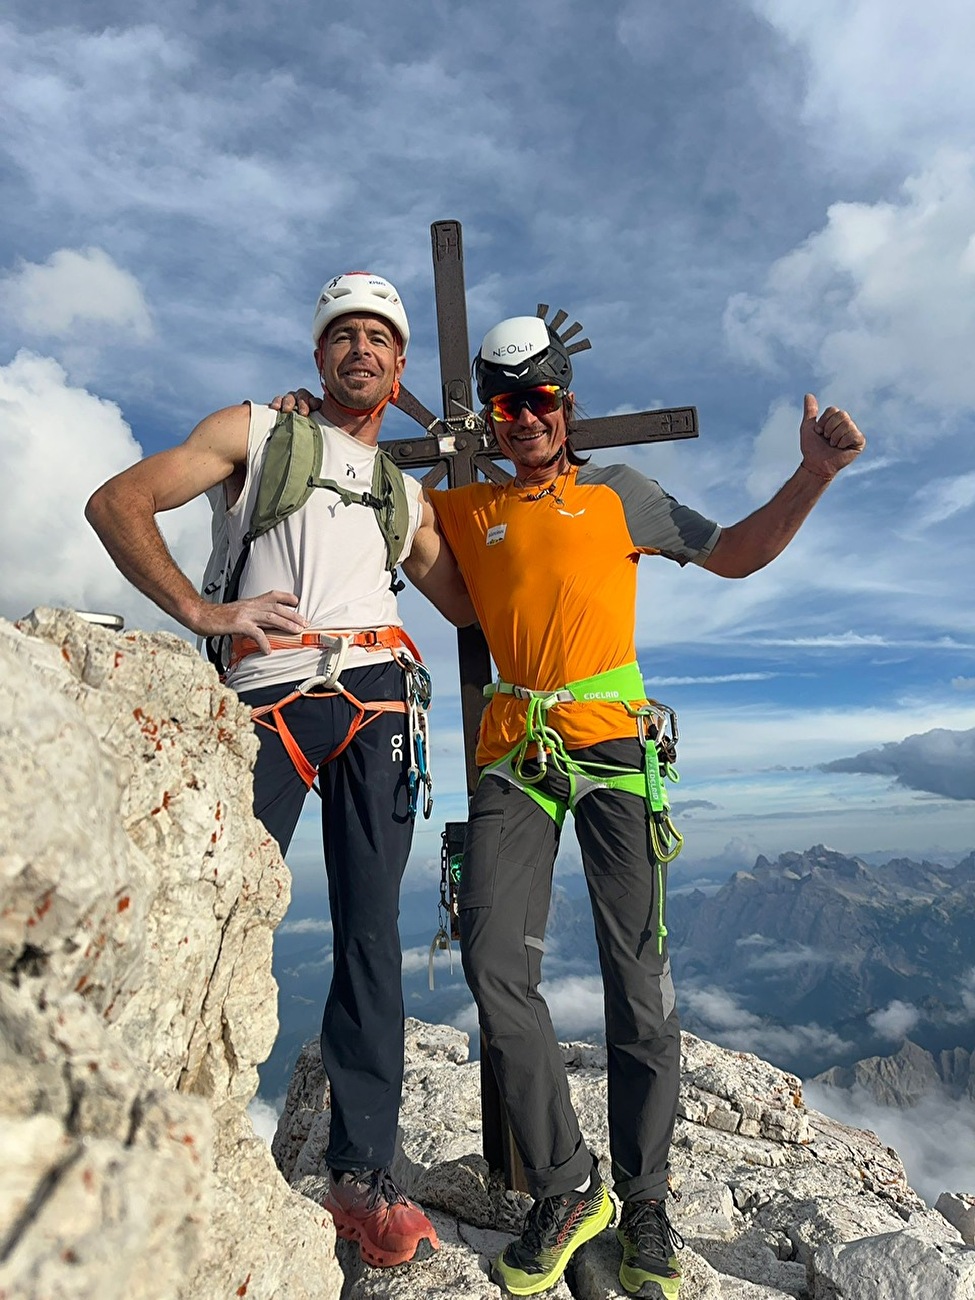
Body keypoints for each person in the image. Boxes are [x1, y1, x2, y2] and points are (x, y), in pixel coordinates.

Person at [424, 315, 866, 1297]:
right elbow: (421, 566)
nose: (526, 417)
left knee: (640, 983)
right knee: (496, 962)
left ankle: (648, 1199)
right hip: (516, 754)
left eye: (540, 398)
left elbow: (735, 555)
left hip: (617, 750)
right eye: (507, 403)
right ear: (491, 417)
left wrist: (813, 475)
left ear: (565, 408)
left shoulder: (619, 495)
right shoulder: (462, 507)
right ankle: (570, 1185)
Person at [85, 272, 474, 1271]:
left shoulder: (403, 493)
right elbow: (119, 502)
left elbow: (472, 607)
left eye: (379, 338)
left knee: (373, 941)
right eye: (343, 335)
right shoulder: (258, 432)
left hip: (382, 702)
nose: (361, 349)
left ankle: (363, 1179)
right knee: (207, 914)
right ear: (319, 355)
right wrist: (205, 613)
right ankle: (139, 1143)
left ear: (396, 365)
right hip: (273, 696)